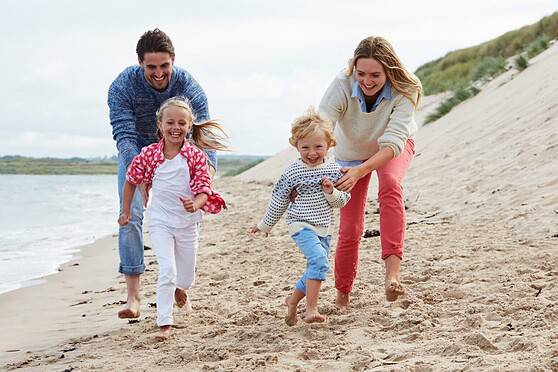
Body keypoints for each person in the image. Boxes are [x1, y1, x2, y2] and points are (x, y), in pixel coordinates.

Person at [108, 28, 217, 319]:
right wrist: (142, 174)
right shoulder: (122, 86)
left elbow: (201, 132)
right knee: (129, 216)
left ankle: (181, 286)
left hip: (181, 153)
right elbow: (124, 135)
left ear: (173, 61)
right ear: (140, 63)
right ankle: (133, 297)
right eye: (151, 67)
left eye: (164, 66)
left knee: (189, 215)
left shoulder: (187, 84)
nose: (158, 73)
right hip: (139, 154)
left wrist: (205, 174)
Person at [318, 36, 422, 310]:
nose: (367, 81)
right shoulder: (342, 84)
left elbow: (393, 143)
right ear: (353, 68)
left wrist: (362, 171)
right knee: (350, 227)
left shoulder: (406, 87)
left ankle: (392, 276)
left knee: (389, 184)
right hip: (350, 154)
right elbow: (322, 126)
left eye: (375, 75)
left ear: (389, 71)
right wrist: (320, 164)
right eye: (361, 73)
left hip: (391, 148)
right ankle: (342, 294)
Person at [118, 97, 228, 341]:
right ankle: (164, 322)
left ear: (189, 126)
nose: (175, 127)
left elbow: (203, 188)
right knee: (167, 269)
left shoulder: (196, 157)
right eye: (170, 122)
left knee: (186, 277)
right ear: (160, 124)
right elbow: (130, 180)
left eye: (181, 123)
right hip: (160, 221)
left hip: (188, 223)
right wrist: (125, 211)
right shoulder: (149, 155)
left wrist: (195, 204)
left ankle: (181, 289)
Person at [250, 107, 350, 325]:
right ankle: (311, 310)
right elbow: (279, 199)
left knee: (318, 266)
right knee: (318, 260)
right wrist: (265, 225)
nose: (312, 152)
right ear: (296, 145)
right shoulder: (292, 172)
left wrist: (330, 191)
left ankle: (292, 301)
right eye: (305, 147)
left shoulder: (334, 170)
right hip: (300, 224)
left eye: (318, 147)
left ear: (329, 145)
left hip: (324, 227)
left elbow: (342, 201)